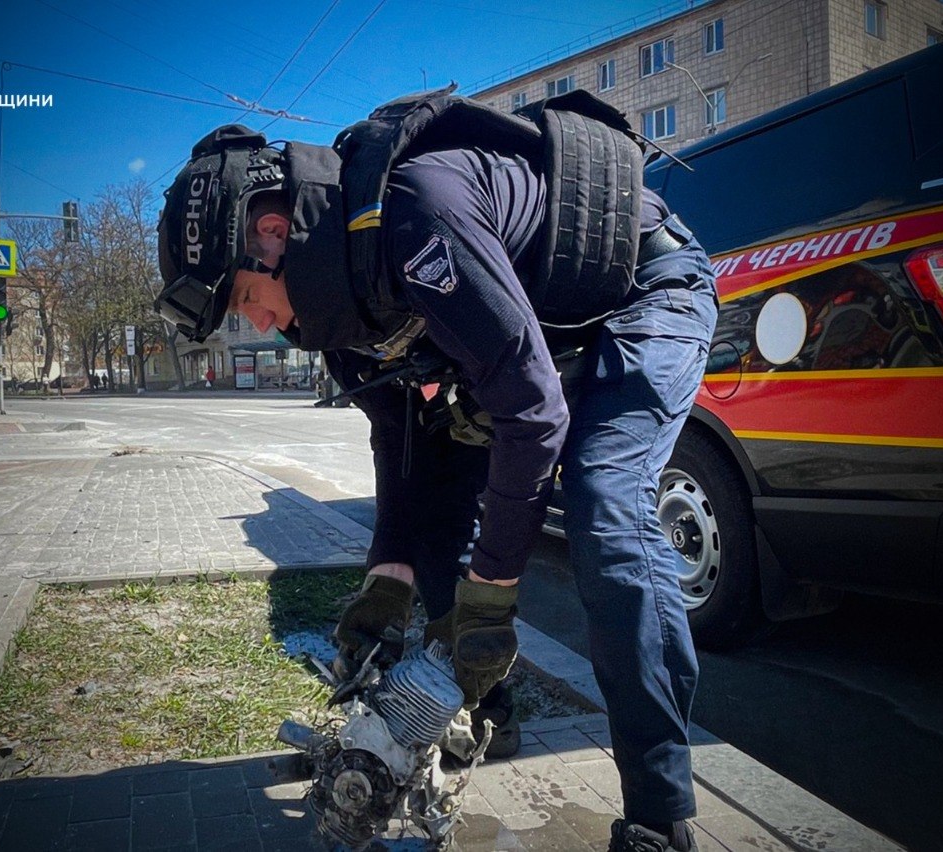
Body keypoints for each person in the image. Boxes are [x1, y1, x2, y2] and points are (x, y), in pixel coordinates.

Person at [155, 87, 717, 852]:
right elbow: (404, 439)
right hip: (541, 333)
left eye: (246, 298)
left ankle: (660, 817)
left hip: (647, 291)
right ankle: (485, 715)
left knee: (604, 506)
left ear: (274, 231)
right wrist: (388, 580)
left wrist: (492, 599)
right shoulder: (337, 301)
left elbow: (533, 412)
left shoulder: (418, 211)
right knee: (436, 526)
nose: (253, 323)